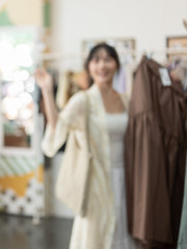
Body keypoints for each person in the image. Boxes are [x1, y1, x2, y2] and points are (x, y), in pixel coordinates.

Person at [35, 43, 138, 249]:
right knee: (95, 236)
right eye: (96, 60)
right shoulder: (83, 100)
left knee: (121, 232)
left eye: (108, 59)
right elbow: (58, 127)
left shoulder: (126, 100)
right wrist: (47, 91)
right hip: (95, 182)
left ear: (116, 65)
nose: (102, 65)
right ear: (89, 66)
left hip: (125, 179)